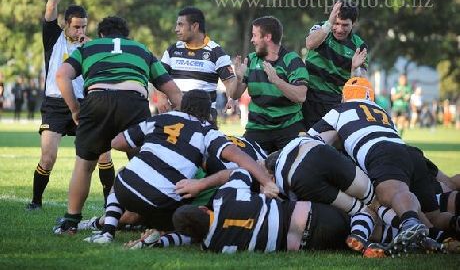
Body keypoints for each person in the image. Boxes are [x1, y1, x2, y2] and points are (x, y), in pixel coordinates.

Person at [83, 90, 278, 243]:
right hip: (166, 204)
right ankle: (161, 232)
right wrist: (266, 181)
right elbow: (238, 156)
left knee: (126, 175)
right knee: (171, 204)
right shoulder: (210, 132)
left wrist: (156, 144)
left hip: (130, 190)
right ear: (208, 114)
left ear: (183, 105)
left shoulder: (161, 119)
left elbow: (117, 143)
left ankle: (106, 230)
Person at [53, 15, 183, 234]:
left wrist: (76, 109)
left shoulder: (89, 47)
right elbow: (173, 91)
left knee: (84, 165)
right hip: (133, 103)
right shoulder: (141, 49)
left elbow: (61, 75)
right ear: (126, 36)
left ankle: (70, 221)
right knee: (144, 164)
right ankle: (148, 217)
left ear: (102, 34)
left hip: (96, 102)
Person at [308, 77, 460, 253]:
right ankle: (453, 225)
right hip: (409, 152)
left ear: (344, 97)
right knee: (433, 215)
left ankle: (410, 224)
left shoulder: (340, 110)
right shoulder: (381, 110)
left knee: (392, 194)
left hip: (381, 152)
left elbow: (310, 141)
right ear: (370, 97)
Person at [26, 0, 114, 211]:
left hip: (85, 105)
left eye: (84, 27)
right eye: (76, 27)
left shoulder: (91, 46)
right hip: (55, 105)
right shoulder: (54, 38)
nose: (81, 32)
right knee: (48, 156)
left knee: (103, 155)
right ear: (66, 24)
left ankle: (111, 205)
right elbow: (51, 6)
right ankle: (35, 202)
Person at [171, 168, 349, 253]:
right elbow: (239, 172)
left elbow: (180, 238)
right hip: (308, 217)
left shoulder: (212, 247)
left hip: (304, 245)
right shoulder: (225, 198)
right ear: (203, 209)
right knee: (357, 220)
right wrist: (202, 185)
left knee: (347, 241)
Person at [233, 16, 309, 154]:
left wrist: (277, 81)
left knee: (299, 166)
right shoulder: (251, 59)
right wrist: (238, 78)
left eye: (255, 35)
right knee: (241, 161)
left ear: (267, 37)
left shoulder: (292, 60)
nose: (252, 40)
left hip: (289, 127)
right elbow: (235, 94)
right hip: (257, 128)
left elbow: (301, 96)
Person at [158, 7, 236, 122]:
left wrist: (231, 97)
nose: (176, 29)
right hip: (176, 114)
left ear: (194, 26)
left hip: (204, 116)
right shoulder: (172, 50)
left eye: (180, 25)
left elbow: (230, 82)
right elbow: (159, 78)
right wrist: (162, 99)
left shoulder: (216, 52)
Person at [263, 135, 374, 216]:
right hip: (314, 150)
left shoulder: (273, 178)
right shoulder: (292, 144)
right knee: (370, 196)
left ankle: (379, 236)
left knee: (357, 209)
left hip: (297, 176)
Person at [302, 0, 368, 129]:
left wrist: (355, 68)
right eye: (336, 23)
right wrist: (329, 22)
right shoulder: (321, 28)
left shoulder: (359, 46)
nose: (339, 29)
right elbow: (310, 44)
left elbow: (359, 83)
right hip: (309, 98)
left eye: (345, 25)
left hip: (335, 103)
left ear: (353, 23)